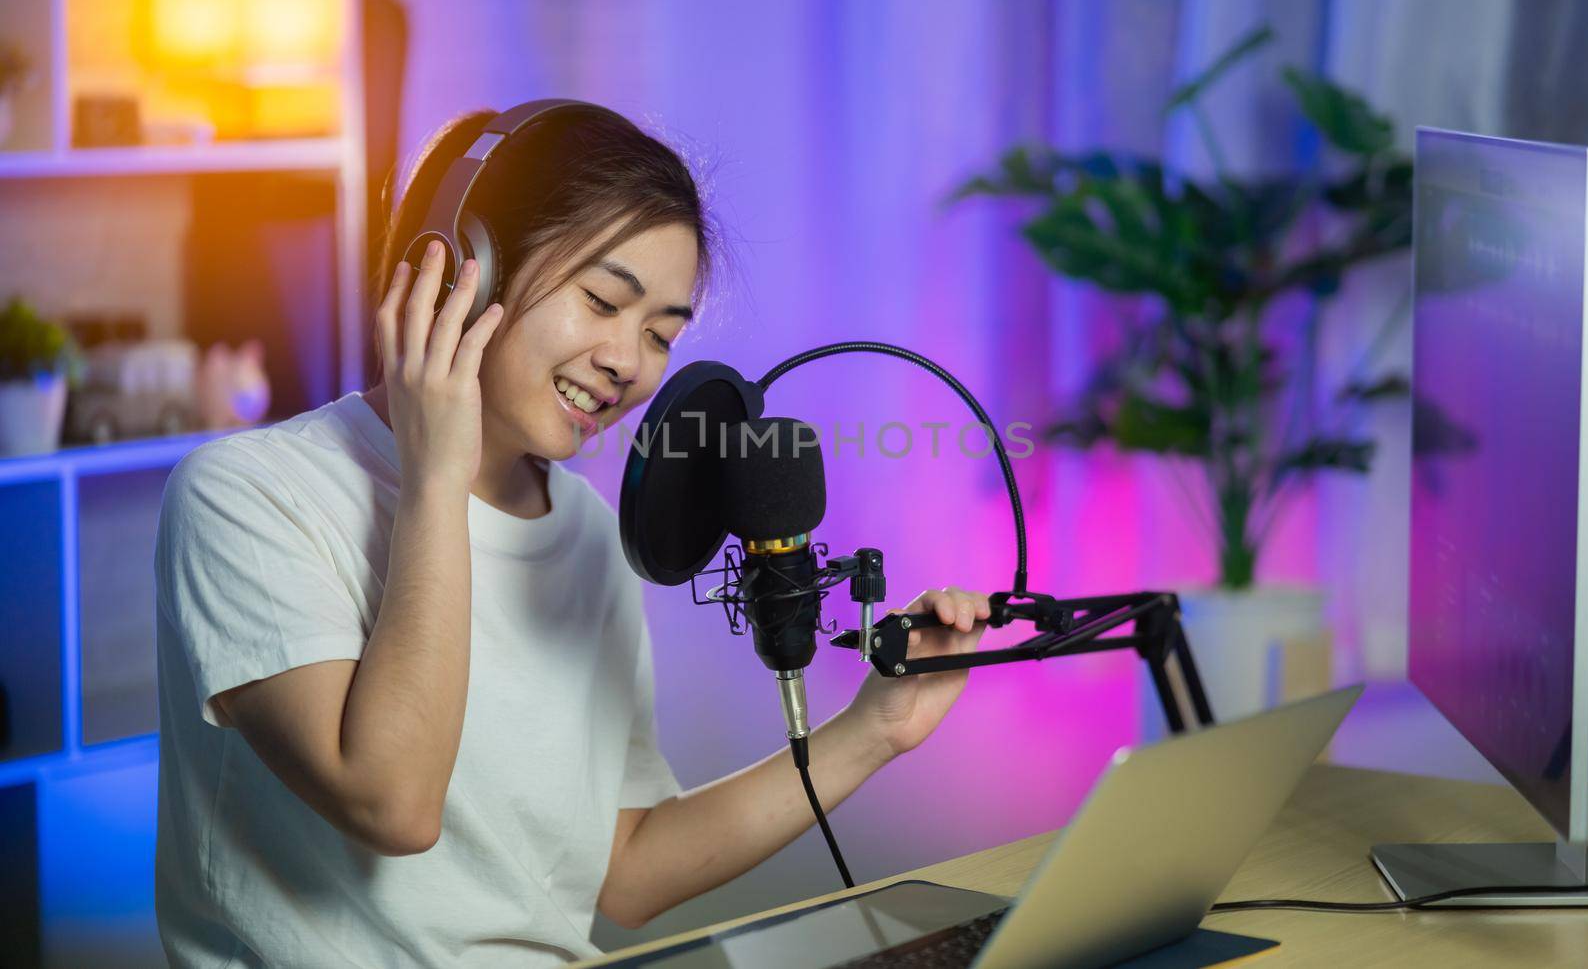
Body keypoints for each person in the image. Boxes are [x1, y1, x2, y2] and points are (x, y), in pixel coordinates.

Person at [153, 102, 992, 967]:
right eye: (602, 300)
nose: (629, 362)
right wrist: (439, 477)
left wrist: (875, 730)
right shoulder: (248, 496)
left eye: (660, 333)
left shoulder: (588, 531)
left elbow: (621, 867)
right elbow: (392, 803)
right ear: (459, 274)